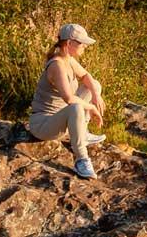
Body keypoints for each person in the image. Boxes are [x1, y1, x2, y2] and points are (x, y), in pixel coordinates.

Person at [28, 23, 108, 178]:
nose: (85, 46)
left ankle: (82, 133)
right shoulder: (57, 65)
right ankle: (82, 159)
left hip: (60, 119)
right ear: (69, 43)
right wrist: (91, 108)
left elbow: (86, 76)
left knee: (94, 86)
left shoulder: (68, 59)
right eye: (82, 43)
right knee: (76, 107)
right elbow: (69, 99)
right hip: (43, 125)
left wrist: (96, 96)